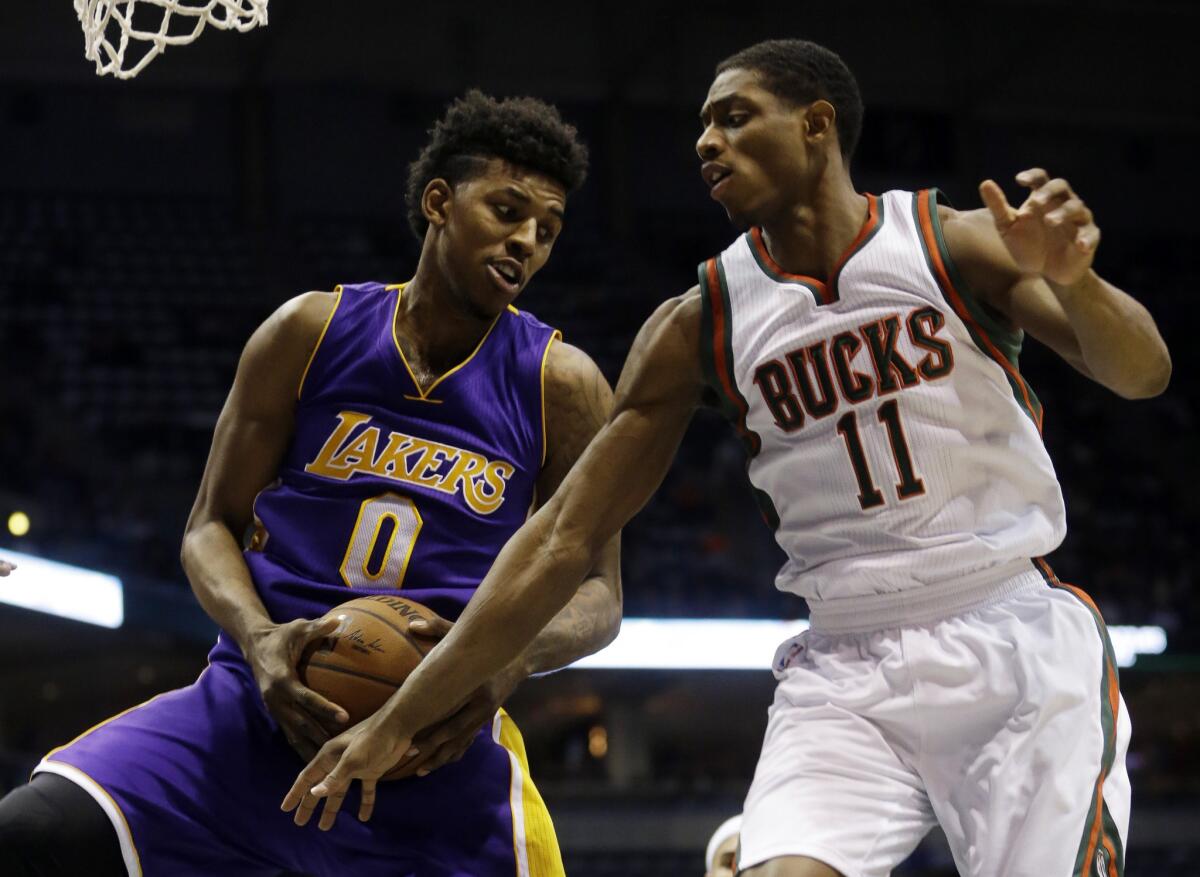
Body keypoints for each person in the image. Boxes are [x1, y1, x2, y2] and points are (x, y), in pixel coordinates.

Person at [284, 39, 1172, 877]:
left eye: (736, 117)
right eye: (704, 126)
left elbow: (1141, 371)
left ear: (816, 125)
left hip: (1006, 633)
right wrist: (402, 714)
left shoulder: (953, 242)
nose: (707, 141)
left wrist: (1079, 281)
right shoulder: (699, 320)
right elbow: (562, 537)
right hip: (845, 666)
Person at [0, 90, 622, 877]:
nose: (526, 241)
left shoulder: (562, 385)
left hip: (436, 739)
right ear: (439, 201)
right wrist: (260, 643)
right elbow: (207, 526)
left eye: (548, 230)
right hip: (258, 705)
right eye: (507, 210)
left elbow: (601, 594)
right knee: (32, 833)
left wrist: (501, 663)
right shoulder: (309, 331)